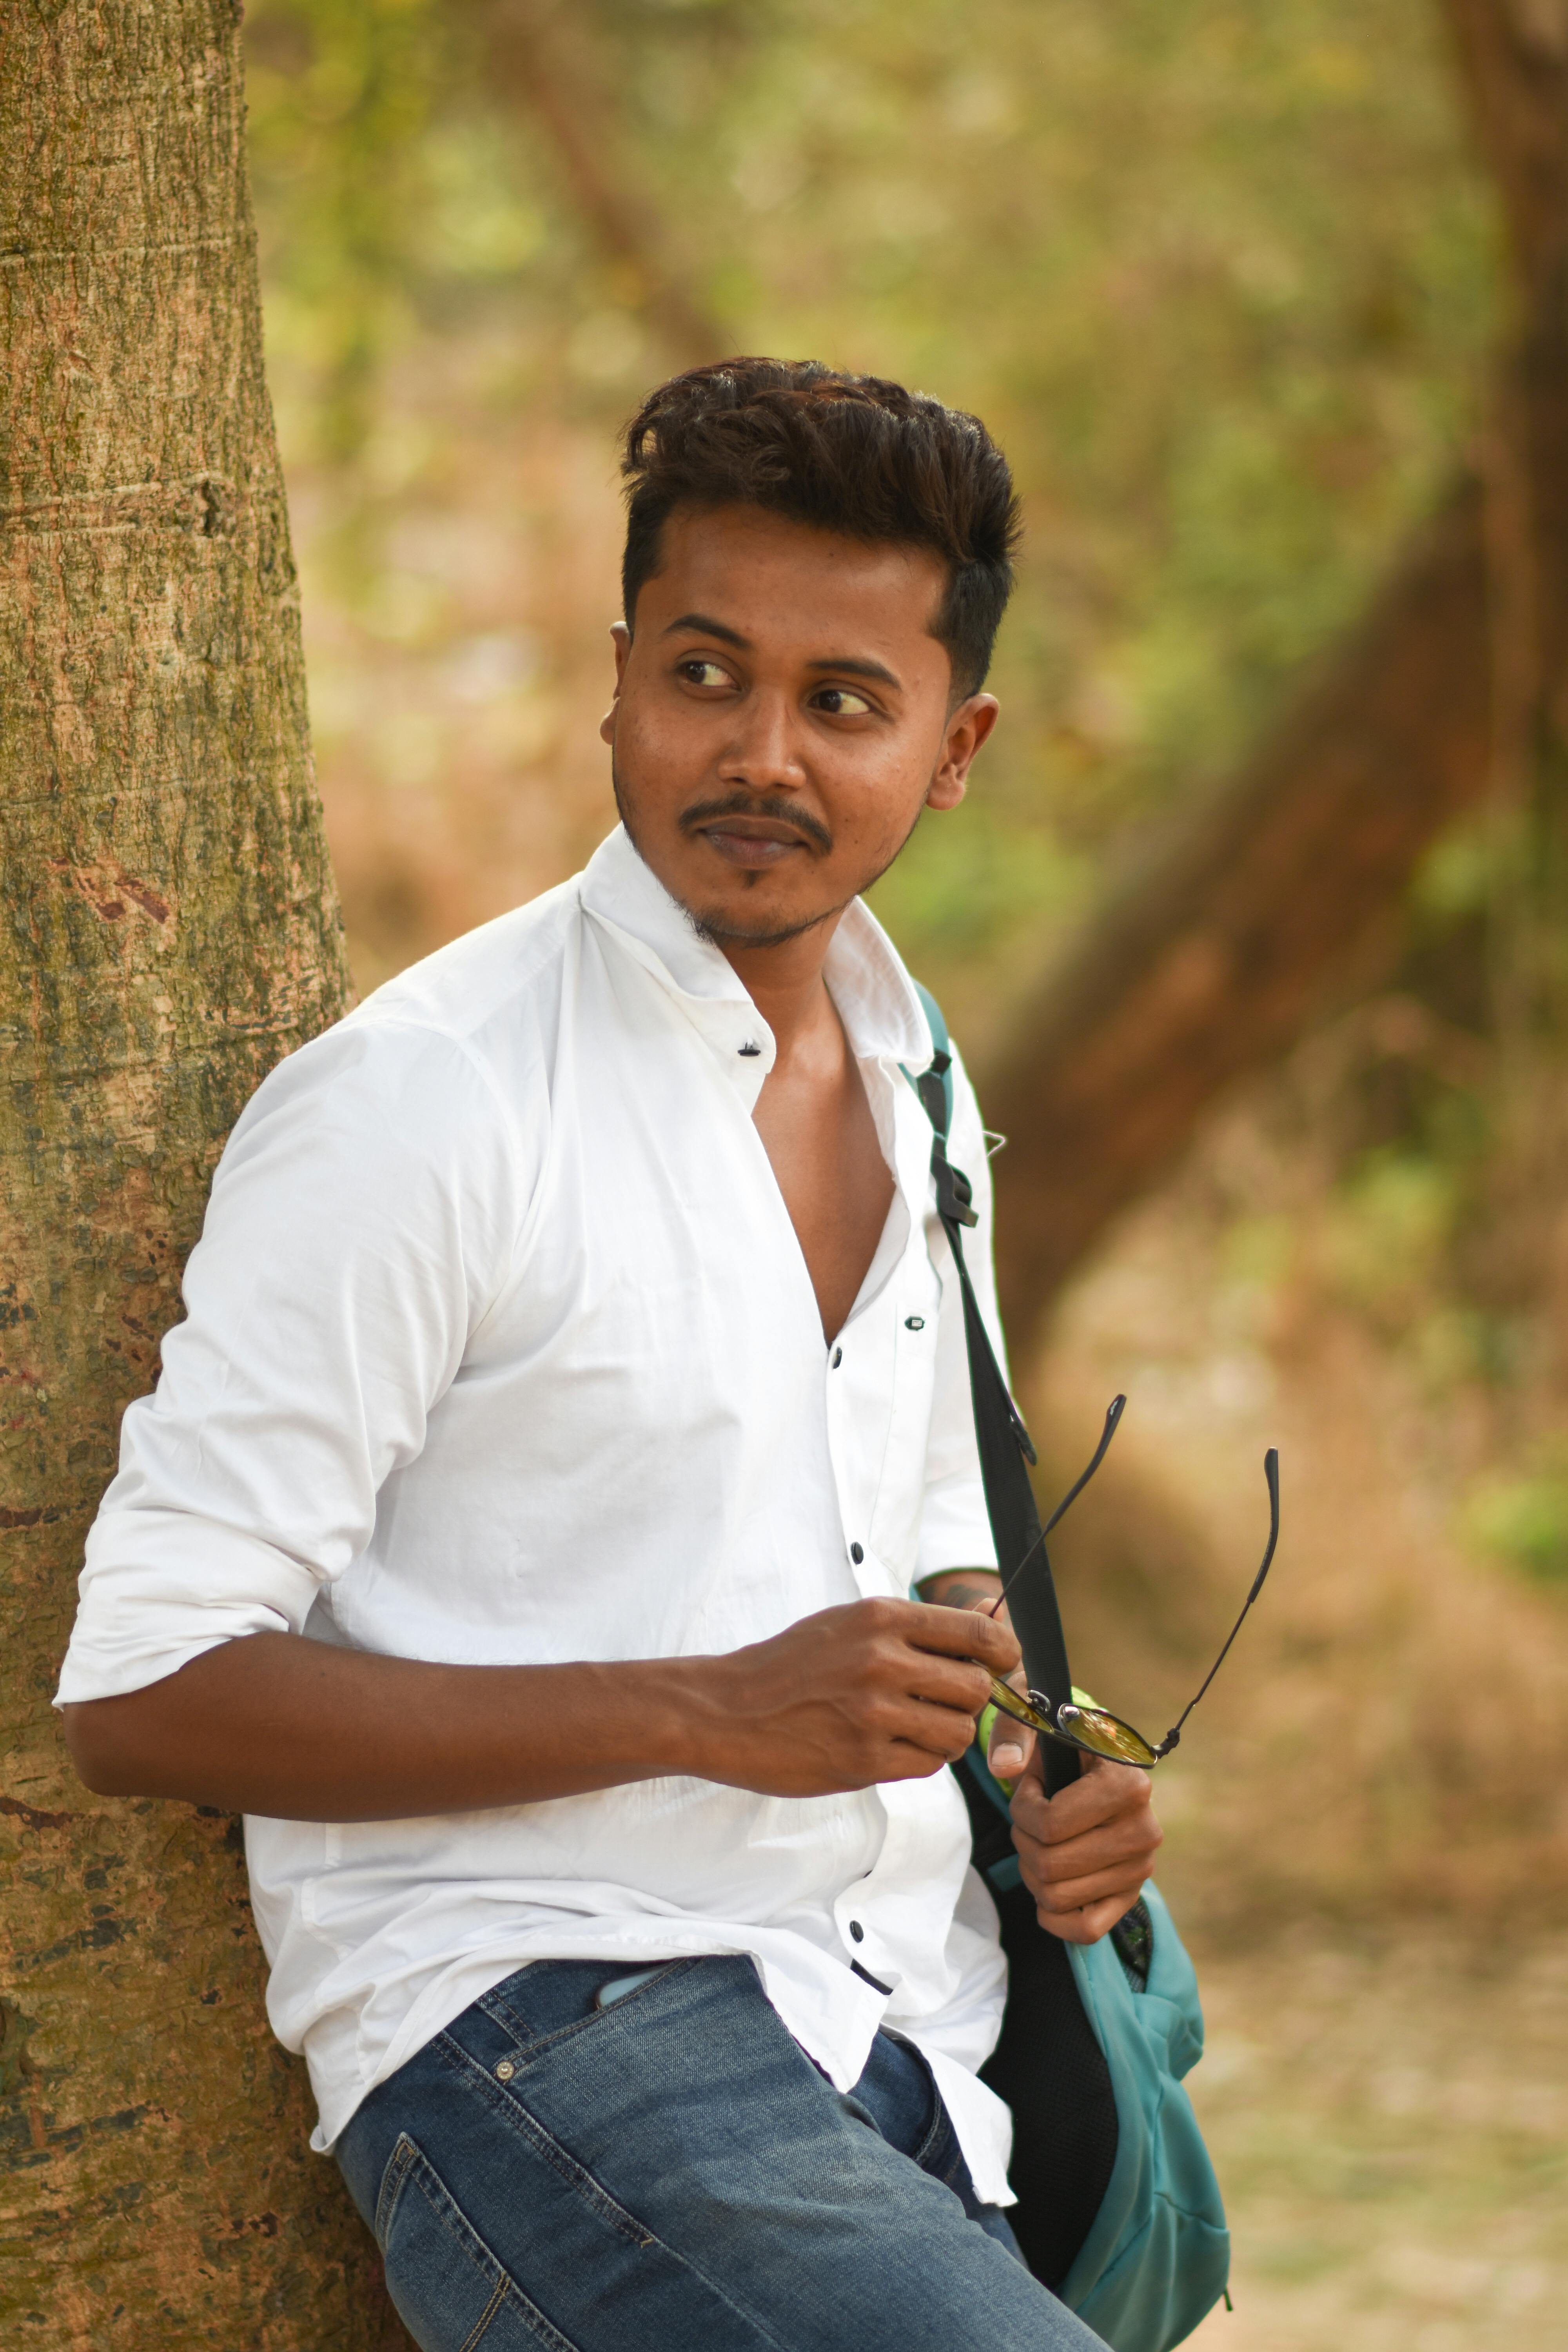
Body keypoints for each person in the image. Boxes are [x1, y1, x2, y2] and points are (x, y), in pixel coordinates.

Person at [58, 359, 1161, 2352]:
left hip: (910, 2011)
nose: (758, 752)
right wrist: (705, 1712)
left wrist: (1036, 1761)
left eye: (842, 702)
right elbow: (141, 1689)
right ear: (619, 682)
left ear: (954, 744)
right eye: (704, 674)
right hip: (546, 2024)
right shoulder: (428, 1103)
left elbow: (926, 1557)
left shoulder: (921, 1085)